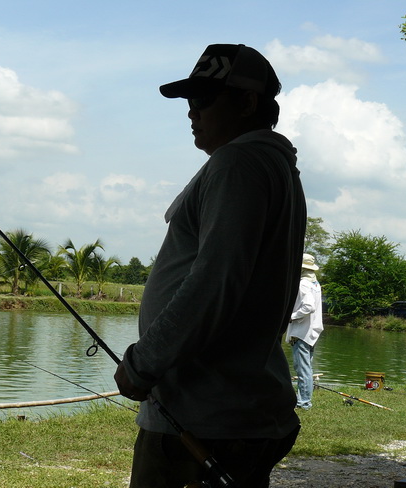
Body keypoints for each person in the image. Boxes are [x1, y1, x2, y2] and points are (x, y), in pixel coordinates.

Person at [114, 43, 307, 487]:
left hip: (205, 416)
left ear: (247, 102)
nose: (190, 113)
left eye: (202, 100)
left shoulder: (238, 163)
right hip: (234, 409)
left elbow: (214, 282)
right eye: (188, 101)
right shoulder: (273, 168)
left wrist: (143, 363)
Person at [286, 253, 323, 410]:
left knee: (303, 369)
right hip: (312, 331)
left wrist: (291, 317)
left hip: (302, 331)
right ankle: (304, 400)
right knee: (307, 367)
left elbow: (308, 306)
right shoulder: (315, 284)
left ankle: (304, 402)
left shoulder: (303, 284)